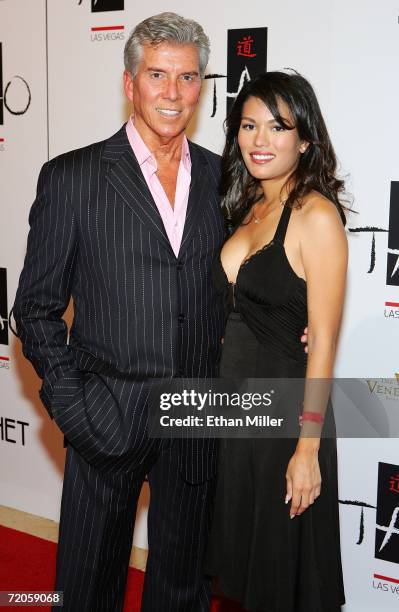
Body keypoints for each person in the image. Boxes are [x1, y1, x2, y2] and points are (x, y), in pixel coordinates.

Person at [12, 12, 226, 611]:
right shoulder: (74, 177)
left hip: (196, 417)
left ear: (201, 86)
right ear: (130, 82)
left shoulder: (223, 178)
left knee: (183, 589)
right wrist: (73, 404)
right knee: (86, 587)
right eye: (158, 74)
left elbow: (237, 286)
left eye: (187, 78)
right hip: (104, 414)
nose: (173, 92)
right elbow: (34, 309)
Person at [205, 71, 347, 611]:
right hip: (234, 414)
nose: (259, 140)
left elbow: (325, 338)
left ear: (304, 139)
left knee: (281, 581)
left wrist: (307, 449)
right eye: (248, 125)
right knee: (243, 577)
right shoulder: (245, 208)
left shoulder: (316, 216)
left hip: (286, 420)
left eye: (277, 126)